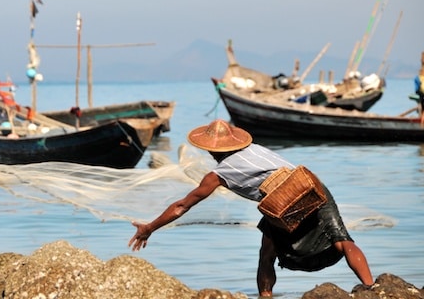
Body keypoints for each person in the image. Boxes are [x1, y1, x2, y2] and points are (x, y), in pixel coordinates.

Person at [128, 119, 373, 297]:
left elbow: (182, 206)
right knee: (341, 240)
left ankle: (265, 295)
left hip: (281, 204)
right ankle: (371, 287)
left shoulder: (218, 174)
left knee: (267, 256)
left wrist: (150, 227)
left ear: (212, 149)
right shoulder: (256, 149)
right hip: (311, 186)